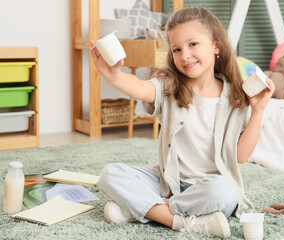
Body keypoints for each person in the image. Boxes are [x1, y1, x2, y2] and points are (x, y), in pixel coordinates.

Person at [90, 7, 274, 239]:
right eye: (177, 49)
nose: (185, 55)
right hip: (169, 182)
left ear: (216, 46)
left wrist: (258, 111)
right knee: (110, 174)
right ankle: (181, 221)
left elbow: (240, 156)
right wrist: (114, 76)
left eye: (193, 44)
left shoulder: (237, 97)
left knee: (226, 193)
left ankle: (143, 209)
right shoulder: (169, 87)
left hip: (209, 189)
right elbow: (141, 87)